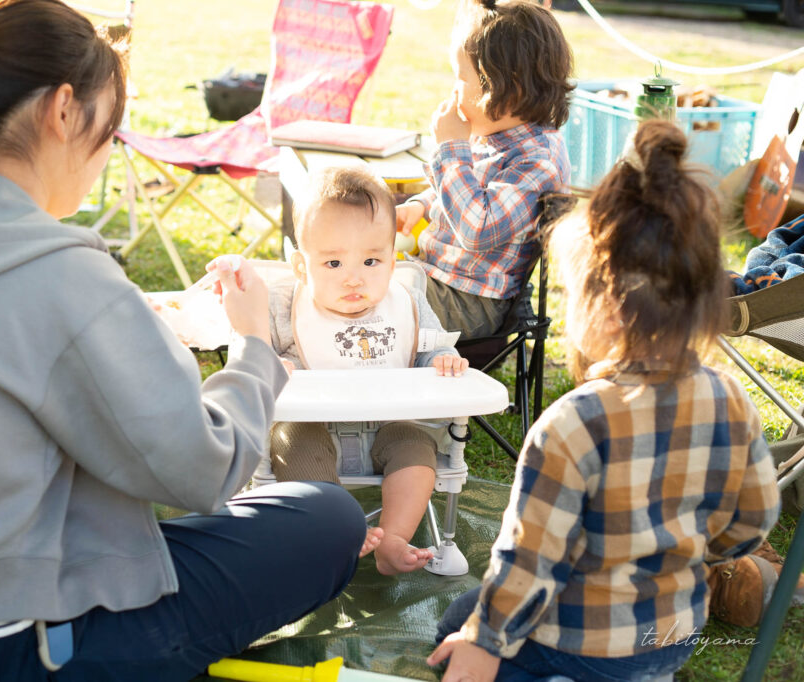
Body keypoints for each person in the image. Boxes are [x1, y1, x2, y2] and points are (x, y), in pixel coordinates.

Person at [0, 1, 366, 680]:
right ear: (63, 110)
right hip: (1, 648)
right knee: (328, 518)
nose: (106, 150)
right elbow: (203, 470)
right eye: (111, 127)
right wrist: (253, 350)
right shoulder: (59, 273)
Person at [427, 119, 781, 682]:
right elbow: (753, 520)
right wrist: (693, 551)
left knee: (455, 623)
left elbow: (529, 561)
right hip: (671, 635)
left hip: (581, 642)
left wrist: (482, 640)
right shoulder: (732, 399)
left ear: (608, 308)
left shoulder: (573, 424)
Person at [268, 166, 469, 576]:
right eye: (333, 262)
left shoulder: (406, 304)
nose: (353, 278)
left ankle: (392, 540)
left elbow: (430, 349)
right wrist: (272, 365)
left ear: (392, 262)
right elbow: (253, 354)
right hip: (314, 427)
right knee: (291, 441)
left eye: (371, 260)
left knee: (417, 450)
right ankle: (337, 530)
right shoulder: (285, 307)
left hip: (390, 426)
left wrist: (441, 360)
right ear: (301, 267)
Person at [396, 0, 572, 339]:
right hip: (439, 279)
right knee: (355, 275)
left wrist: (451, 149)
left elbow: (477, 229)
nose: (453, 90)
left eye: (461, 78)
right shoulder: (494, 134)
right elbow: (465, 188)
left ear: (507, 87)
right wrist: (421, 204)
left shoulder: (538, 161)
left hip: (473, 302)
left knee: (369, 292)